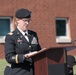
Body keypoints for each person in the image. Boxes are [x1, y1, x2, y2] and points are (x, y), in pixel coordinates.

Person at [4, 8, 41, 75]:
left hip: (34, 71)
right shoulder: (11, 37)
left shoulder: (33, 34)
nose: (27, 23)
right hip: (19, 72)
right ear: (18, 21)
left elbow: (39, 51)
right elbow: (9, 57)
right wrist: (24, 56)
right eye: (25, 21)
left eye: (29, 21)